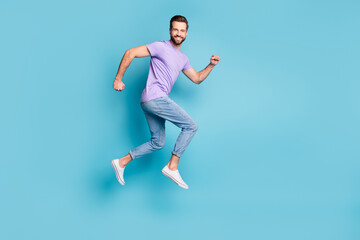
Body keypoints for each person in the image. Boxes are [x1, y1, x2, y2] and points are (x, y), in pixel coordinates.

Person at [111, 15, 220, 189]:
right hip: (156, 98)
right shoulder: (160, 46)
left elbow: (197, 78)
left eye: (182, 30)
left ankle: (121, 162)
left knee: (158, 142)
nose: (178, 33)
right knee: (191, 126)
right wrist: (118, 78)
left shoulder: (182, 58)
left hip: (149, 102)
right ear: (170, 30)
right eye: (175, 29)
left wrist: (211, 65)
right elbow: (130, 53)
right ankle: (172, 166)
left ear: (186, 33)